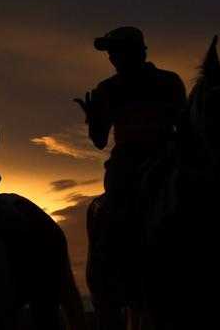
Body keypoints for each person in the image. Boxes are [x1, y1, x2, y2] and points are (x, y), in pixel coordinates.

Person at [75, 26, 186, 311]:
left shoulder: (167, 82)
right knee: (112, 211)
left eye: (116, 51)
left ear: (136, 51)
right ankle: (108, 283)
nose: (112, 57)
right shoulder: (108, 89)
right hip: (128, 161)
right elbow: (100, 141)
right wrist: (93, 120)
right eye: (110, 53)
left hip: (168, 156)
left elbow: (185, 126)